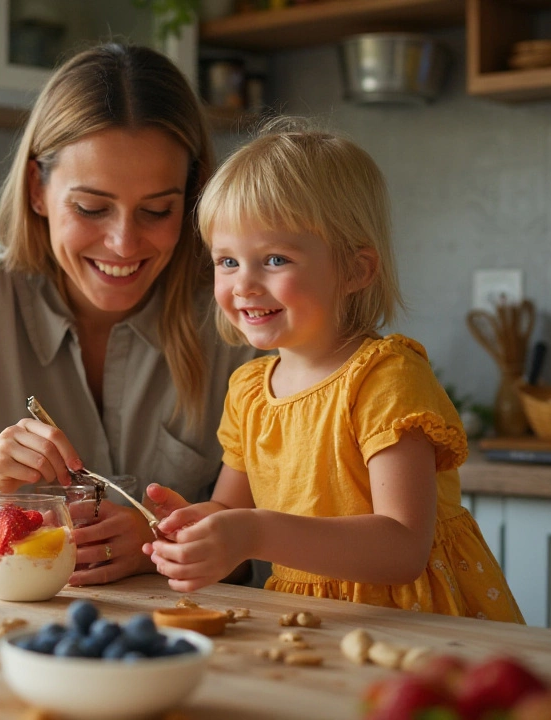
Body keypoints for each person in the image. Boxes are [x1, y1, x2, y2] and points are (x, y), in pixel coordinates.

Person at [0, 43, 258, 587]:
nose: (123, 243)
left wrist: (159, 541)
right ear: (38, 189)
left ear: (194, 199)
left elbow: (288, 526)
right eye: (91, 207)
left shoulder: (237, 309)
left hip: (196, 638)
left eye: (157, 210)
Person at [143, 120, 524, 622]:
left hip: (415, 619)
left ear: (356, 270)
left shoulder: (385, 377)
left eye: (275, 259)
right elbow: (232, 511)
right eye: (227, 261)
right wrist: (201, 527)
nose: (244, 285)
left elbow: (403, 548)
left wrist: (253, 533)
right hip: (309, 617)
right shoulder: (250, 391)